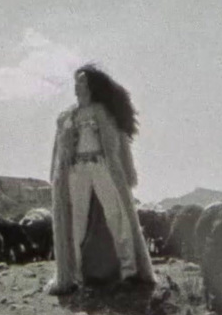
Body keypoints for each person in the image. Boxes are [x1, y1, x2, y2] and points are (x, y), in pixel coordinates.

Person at [44, 64, 156, 295]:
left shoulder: (104, 113)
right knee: (76, 221)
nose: (78, 86)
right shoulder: (66, 116)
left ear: (91, 85)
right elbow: (58, 151)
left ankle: (130, 271)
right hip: (77, 170)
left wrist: (127, 171)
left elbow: (120, 144)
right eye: (76, 82)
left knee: (117, 215)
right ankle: (72, 276)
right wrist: (56, 176)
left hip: (102, 167)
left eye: (83, 82)